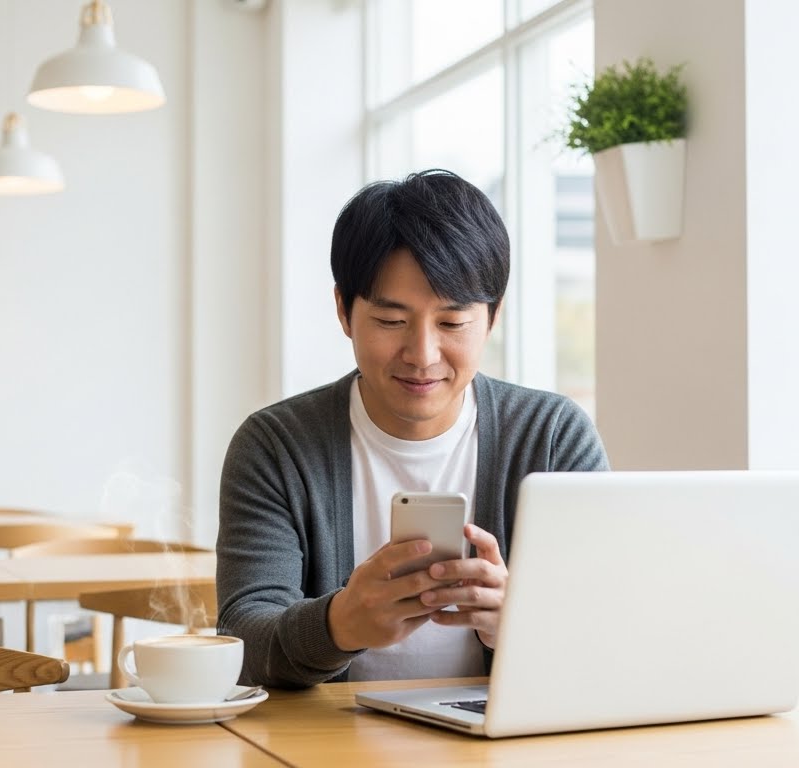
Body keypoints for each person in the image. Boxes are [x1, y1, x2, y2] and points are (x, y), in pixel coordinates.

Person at [215, 169, 609, 689]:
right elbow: (242, 641)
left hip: (498, 733)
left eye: (452, 323)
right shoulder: (276, 447)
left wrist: (524, 626)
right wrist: (339, 625)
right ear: (343, 311)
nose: (422, 355)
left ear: (492, 318)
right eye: (391, 321)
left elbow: (608, 631)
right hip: (330, 736)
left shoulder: (553, 438)